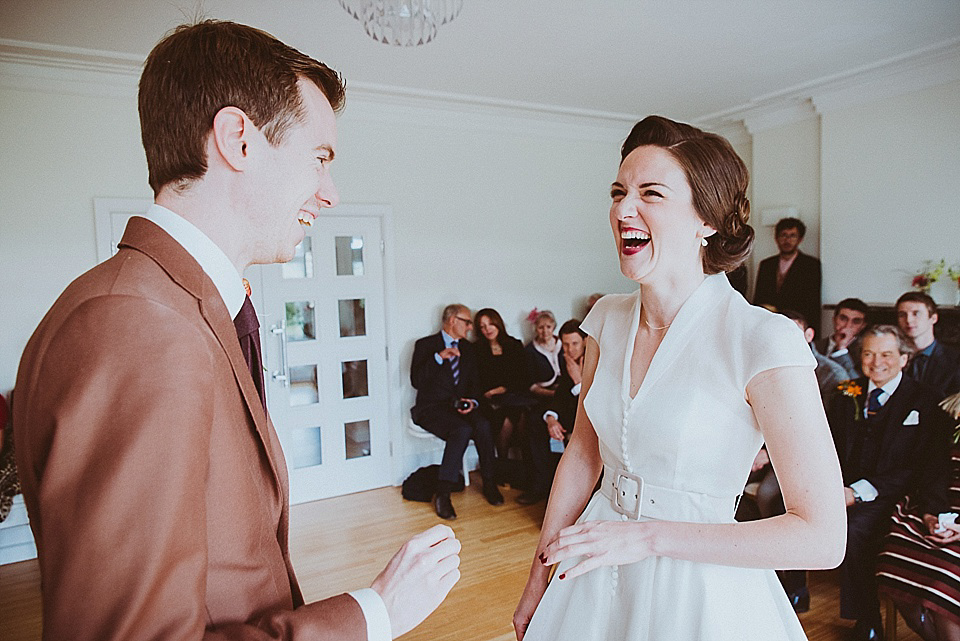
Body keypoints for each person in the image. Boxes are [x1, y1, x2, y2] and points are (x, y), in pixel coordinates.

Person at [13, 21, 460, 641]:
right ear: (238, 141)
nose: (330, 193)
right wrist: (372, 613)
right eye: (320, 158)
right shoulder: (137, 328)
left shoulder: (176, 306)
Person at [513, 115, 845, 641]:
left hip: (699, 588)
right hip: (592, 573)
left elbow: (823, 538)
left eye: (650, 193)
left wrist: (647, 538)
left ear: (706, 221)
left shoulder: (762, 338)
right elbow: (582, 453)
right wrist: (538, 581)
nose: (623, 209)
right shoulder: (604, 320)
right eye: (618, 191)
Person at [827, 325, 950, 640]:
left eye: (886, 354)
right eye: (868, 353)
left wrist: (858, 492)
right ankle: (799, 596)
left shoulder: (927, 400)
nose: (876, 362)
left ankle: (867, 621)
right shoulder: (846, 393)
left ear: (904, 359)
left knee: (855, 528)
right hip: (845, 490)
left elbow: (920, 465)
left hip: (901, 494)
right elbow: (829, 447)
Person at [740, 309, 849, 612]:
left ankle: (793, 581)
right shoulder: (756, 358)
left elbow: (814, 431)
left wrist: (768, 455)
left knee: (768, 495)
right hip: (761, 448)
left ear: (808, 334)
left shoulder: (831, 374)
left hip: (799, 455)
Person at [877, 391, 960, 641]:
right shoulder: (951, 410)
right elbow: (934, 468)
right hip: (945, 505)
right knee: (894, 557)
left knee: (948, 573)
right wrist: (932, 515)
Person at [411, 304, 504, 520]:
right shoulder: (425, 345)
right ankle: (443, 493)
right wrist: (439, 357)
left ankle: (490, 483)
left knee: (482, 425)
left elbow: (474, 383)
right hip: (432, 408)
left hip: (460, 405)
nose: (471, 327)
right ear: (453, 320)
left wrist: (471, 401)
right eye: (467, 322)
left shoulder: (468, 349)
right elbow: (416, 381)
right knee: (461, 430)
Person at [519, 319, 587, 506]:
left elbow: (590, 405)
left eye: (574, 344)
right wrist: (551, 418)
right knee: (534, 421)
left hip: (588, 418)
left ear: (585, 342)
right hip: (571, 412)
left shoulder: (594, 361)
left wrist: (578, 381)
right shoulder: (568, 360)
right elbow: (560, 398)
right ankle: (540, 484)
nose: (570, 349)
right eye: (565, 344)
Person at [473, 308, 535, 483]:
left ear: (497, 323)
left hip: (513, 396)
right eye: (482, 326)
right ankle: (502, 465)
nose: (487, 329)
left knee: (521, 415)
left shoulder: (513, 345)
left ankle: (527, 468)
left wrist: (503, 388)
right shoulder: (476, 349)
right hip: (490, 400)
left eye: (490, 324)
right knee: (505, 418)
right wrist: (492, 392)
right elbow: (477, 381)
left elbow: (523, 377)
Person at [753, 217, 823, 335]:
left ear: (800, 239)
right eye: (783, 235)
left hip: (797, 326)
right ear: (776, 238)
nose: (787, 240)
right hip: (769, 324)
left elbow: (812, 303)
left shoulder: (810, 265)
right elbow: (758, 298)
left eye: (792, 236)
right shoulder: (766, 264)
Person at [897, 291, 960, 397]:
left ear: (933, 318)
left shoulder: (956, 359)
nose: (909, 320)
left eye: (916, 314)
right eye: (902, 315)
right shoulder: (890, 357)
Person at [816, 297, 871, 379]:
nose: (848, 325)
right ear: (834, 319)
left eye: (856, 321)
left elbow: (858, 382)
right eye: (843, 319)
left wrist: (841, 349)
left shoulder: (866, 351)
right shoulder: (815, 345)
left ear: (863, 325)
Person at [526, 310, 562, 399]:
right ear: (535, 328)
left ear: (553, 327)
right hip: (544, 394)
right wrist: (552, 394)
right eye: (541, 327)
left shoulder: (563, 343)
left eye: (548, 327)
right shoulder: (530, 351)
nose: (545, 331)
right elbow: (530, 385)